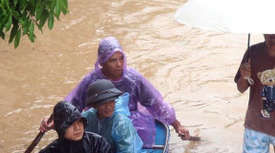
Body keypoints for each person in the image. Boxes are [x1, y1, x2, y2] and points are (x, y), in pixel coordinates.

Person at [40, 36, 191, 146]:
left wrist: (177, 125)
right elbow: (73, 104)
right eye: (112, 60)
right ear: (102, 62)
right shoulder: (91, 80)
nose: (119, 65)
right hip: (97, 122)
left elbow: (155, 103)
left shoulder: (133, 79)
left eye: (121, 59)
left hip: (129, 122)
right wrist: (53, 121)